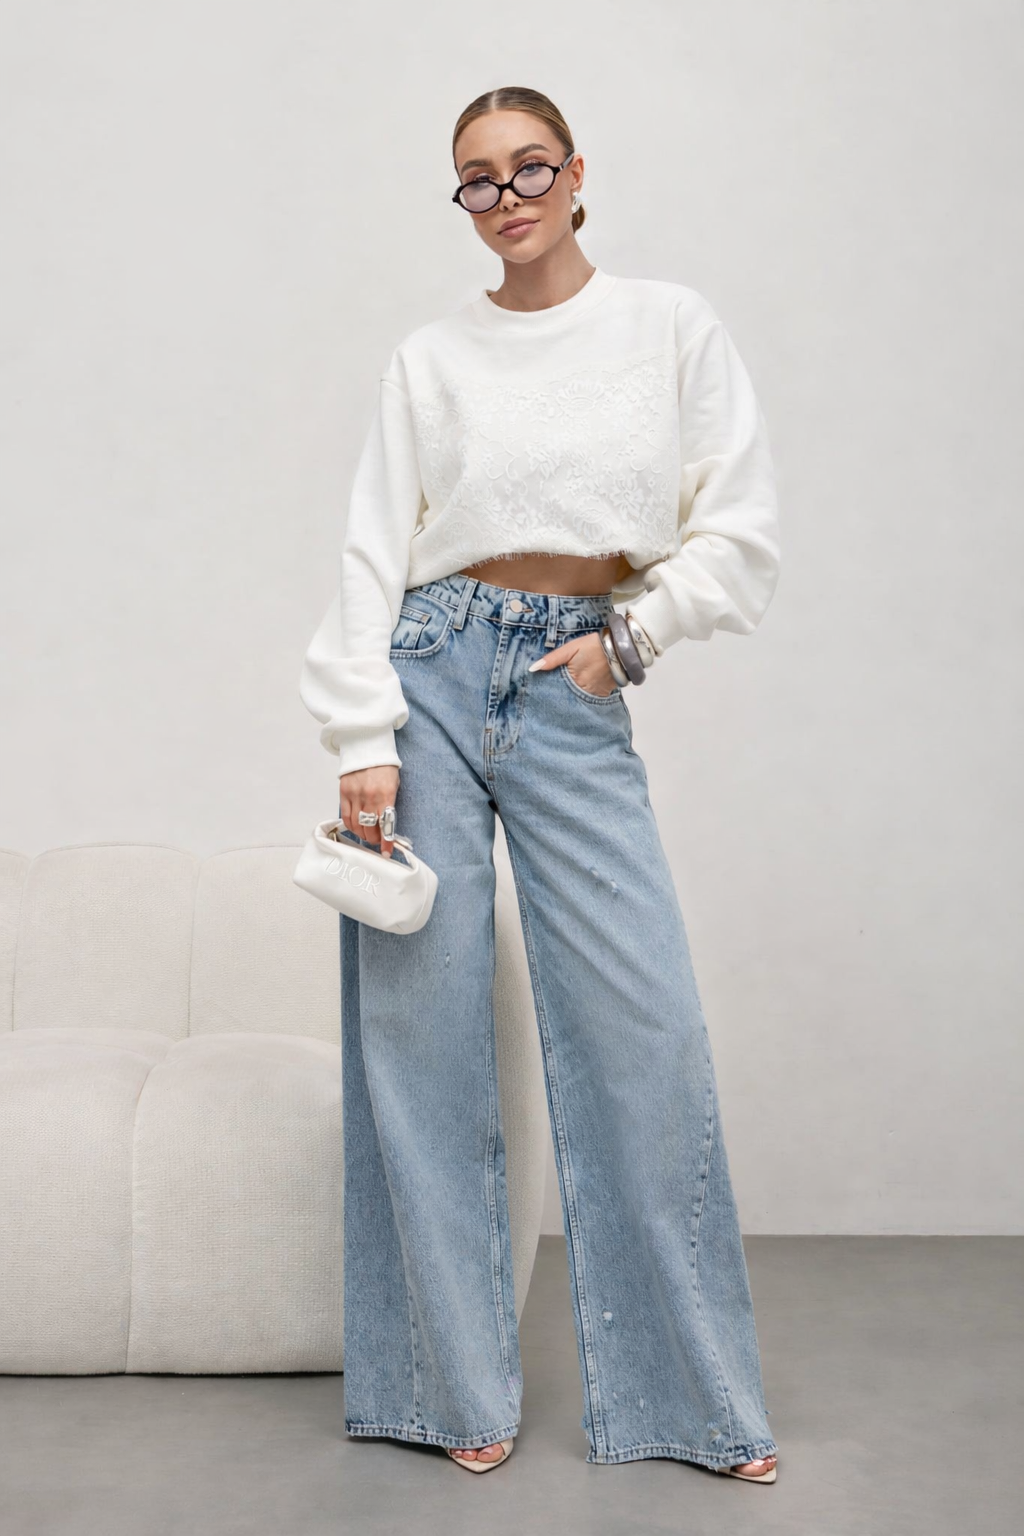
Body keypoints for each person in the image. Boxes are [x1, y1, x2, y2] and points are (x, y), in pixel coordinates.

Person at [299, 85, 782, 1484]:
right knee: (421, 1032)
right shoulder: (430, 358)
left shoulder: (669, 328)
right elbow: (369, 548)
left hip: (573, 676)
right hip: (430, 672)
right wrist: (361, 736)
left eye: (528, 168)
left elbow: (739, 527)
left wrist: (632, 637)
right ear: (461, 201)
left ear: (576, 175)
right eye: (477, 179)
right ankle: (448, 1390)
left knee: (645, 1030)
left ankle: (693, 1403)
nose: (505, 197)